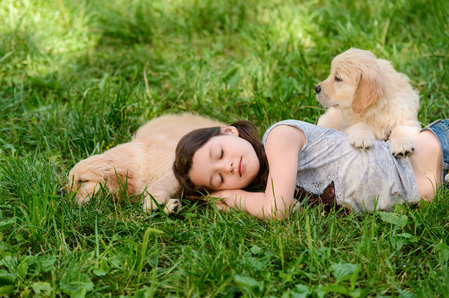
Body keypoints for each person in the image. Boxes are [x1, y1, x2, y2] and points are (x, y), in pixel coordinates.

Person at [173, 119, 448, 220]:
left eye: (220, 153)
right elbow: (293, 209)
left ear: (230, 131)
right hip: (440, 187)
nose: (229, 166)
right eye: (219, 178)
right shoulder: (277, 184)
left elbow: (277, 210)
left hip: (438, 152)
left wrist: (230, 198)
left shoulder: (279, 137)